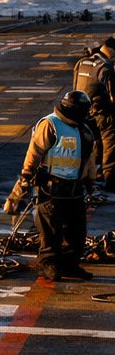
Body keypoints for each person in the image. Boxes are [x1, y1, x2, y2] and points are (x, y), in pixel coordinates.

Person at [17, 90, 98, 281]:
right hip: (50, 188)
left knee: (77, 232)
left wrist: (89, 181)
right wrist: (27, 175)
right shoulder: (50, 124)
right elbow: (34, 151)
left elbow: (89, 159)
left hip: (73, 188)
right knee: (50, 231)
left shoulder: (84, 129)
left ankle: (70, 264)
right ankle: (49, 264)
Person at [73, 38, 115, 190]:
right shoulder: (105, 67)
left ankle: (93, 175)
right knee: (110, 143)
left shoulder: (81, 62)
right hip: (102, 113)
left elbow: (74, 89)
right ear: (110, 50)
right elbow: (112, 95)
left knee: (94, 144)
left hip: (83, 112)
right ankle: (110, 179)